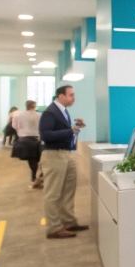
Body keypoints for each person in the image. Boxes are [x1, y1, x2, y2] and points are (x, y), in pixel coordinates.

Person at [39, 85, 88, 239]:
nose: (73, 98)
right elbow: (45, 135)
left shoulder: (63, 111)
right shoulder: (50, 112)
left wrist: (76, 127)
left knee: (68, 189)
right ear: (60, 96)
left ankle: (68, 221)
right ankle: (53, 228)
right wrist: (69, 131)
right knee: (53, 192)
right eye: (71, 95)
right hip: (53, 155)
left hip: (65, 154)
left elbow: (63, 134)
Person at [11, 100, 43, 187]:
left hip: (24, 140)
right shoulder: (39, 115)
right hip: (36, 139)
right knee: (39, 159)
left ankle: (34, 177)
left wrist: (21, 131)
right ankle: (38, 177)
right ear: (34, 106)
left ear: (26, 106)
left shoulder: (18, 114)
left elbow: (14, 126)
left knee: (31, 160)